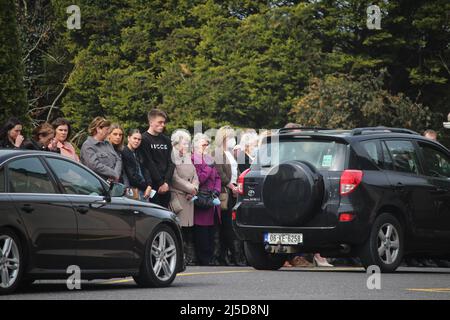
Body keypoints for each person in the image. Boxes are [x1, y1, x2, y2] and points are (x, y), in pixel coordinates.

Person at [213, 126, 246, 266]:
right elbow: (220, 173)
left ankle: (229, 255)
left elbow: (236, 171)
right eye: (230, 137)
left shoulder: (230, 153)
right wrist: (231, 186)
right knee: (227, 226)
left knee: (231, 226)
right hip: (225, 192)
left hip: (234, 191)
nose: (233, 139)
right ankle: (230, 256)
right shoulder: (218, 152)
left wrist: (238, 185)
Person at [170, 130, 199, 266]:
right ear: (176, 143)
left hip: (189, 198)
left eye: (188, 143)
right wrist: (190, 188)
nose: (187, 146)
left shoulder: (187, 157)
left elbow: (195, 176)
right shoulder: (171, 156)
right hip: (178, 196)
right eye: (184, 143)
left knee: (188, 230)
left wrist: (194, 189)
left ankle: (188, 258)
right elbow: (174, 178)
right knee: (179, 229)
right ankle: (178, 258)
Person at [192, 133, 221, 266]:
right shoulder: (194, 159)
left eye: (207, 144)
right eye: (203, 144)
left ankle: (210, 257)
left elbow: (218, 177)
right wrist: (208, 167)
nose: (206, 147)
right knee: (202, 231)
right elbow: (200, 179)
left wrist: (217, 190)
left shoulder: (209, 158)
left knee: (211, 231)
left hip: (212, 198)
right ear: (196, 145)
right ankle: (203, 258)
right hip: (202, 198)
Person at [139, 109, 175, 208]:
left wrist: (166, 183)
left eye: (164, 122)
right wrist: (160, 183)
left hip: (166, 186)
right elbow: (148, 162)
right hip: (152, 186)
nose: (163, 125)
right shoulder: (143, 139)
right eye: (160, 122)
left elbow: (171, 162)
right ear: (151, 122)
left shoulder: (166, 140)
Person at [80, 117, 122, 182]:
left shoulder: (107, 143)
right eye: (107, 129)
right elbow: (94, 165)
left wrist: (116, 174)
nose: (108, 132)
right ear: (98, 129)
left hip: (112, 184)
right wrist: (113, 173)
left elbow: (118, 159)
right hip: (96, 186)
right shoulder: (88, 145)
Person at [121, 129, 153, 201]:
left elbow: (145, 169)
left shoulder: (139, 153)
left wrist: (149, 185)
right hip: (133, 190)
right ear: (129, 138)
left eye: (139, 139)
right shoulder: (124, 152)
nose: (137, 141)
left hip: (144, 190)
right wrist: (146, 186)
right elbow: (132, 176)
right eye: (134, 138)